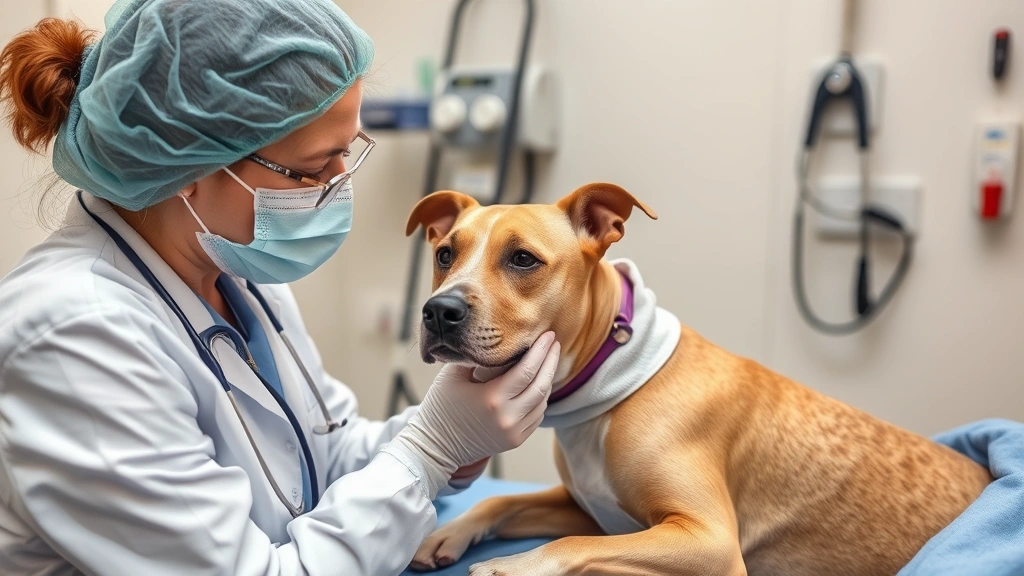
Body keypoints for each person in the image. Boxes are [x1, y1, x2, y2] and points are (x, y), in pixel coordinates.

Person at [0, 1, 560, 574]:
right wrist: (429, 449)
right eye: (315, 168)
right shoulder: (74, 334)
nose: (340, 184)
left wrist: (451, 442)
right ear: (193, 168)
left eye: (349, 151)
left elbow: (321, 454)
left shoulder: (231, 269)